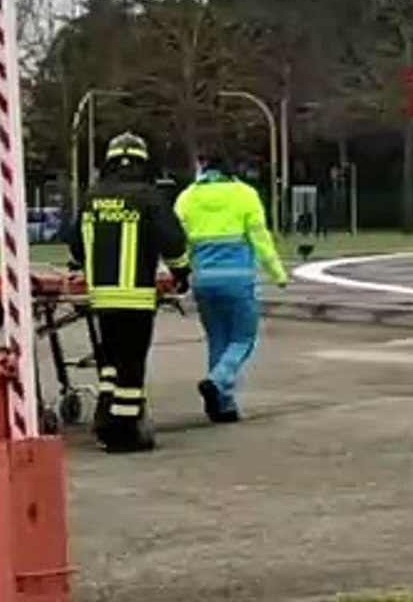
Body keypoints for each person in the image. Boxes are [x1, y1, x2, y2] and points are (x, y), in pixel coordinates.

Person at [69, 132, 190, 453]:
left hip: (101, 299)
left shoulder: (91, 198)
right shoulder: (149, 198)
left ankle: (105, 416)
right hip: (135, 298)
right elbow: (174, 243)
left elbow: (76, 245)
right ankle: (123, 432)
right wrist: (181, 273)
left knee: (110, 361)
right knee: (131, 366)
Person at [174, 147, 288, 423]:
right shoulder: (245, 195)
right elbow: (260, 239)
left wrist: (178, 273)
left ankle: (223, 406)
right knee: (243, 339)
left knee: (218, 340)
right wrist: (278, 274)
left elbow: (178, 241)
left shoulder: (187, 198)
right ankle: (218, 380)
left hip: (202, 282)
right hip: (238, 281)